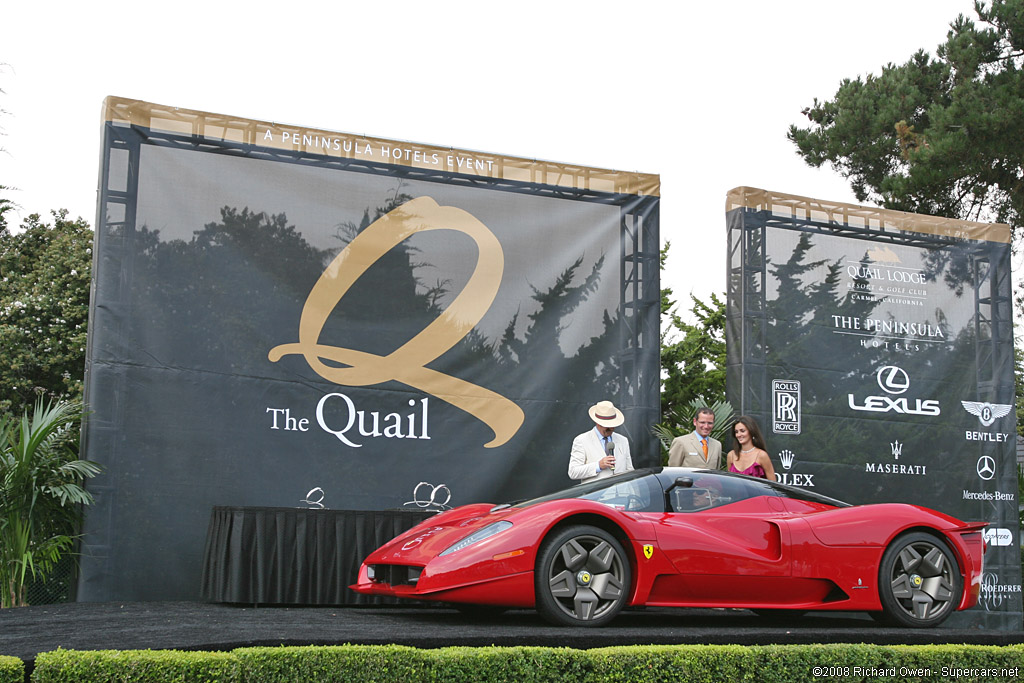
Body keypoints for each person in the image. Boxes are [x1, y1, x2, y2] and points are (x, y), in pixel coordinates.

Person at [568, 400, 634, 484]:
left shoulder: (623, 440)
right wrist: (598, 465)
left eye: (613, 425)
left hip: (622, 494)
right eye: (608, 425)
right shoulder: (581, 440)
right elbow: (573, 472)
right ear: (597, 423)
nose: (612, 428)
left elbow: (630, 471)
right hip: (596, 495)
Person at [726, 415, 776, 481]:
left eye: (742, 431)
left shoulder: (761, 455)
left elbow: (773, 483)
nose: (739, 434)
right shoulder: (731, 455)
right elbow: (729, 482)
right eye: (736, 432)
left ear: (751, 431)